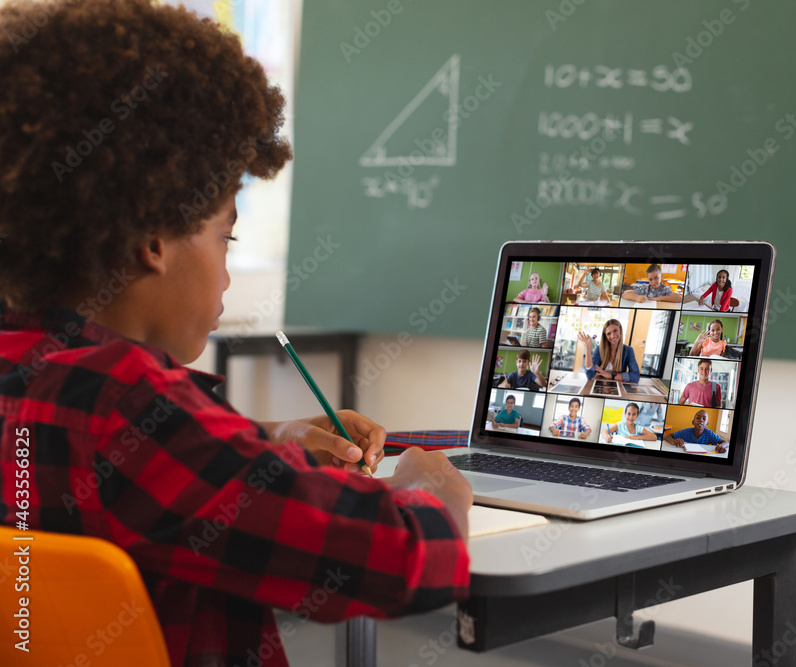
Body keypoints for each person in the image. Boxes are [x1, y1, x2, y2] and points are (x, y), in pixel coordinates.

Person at [0, 3, 472, 665]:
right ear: (154, 239)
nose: (226, 267)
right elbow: (400, 561)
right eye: (227, 234)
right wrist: (432, 491)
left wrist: (265, 441)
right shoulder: (133, 406)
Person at [577, 319, 640, 383]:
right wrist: (588, 347)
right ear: (605, 336)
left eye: (615, 330)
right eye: (608, 334)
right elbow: (590, 375)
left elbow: (635, 376)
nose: (612, 336)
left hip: (618, 388)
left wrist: (610, 375)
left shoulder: (628, 351)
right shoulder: (599, 349)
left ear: (620, 330)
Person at [664, 410, 729, 453]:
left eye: (704, 419)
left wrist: (721, 446)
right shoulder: (686, 432)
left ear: (707, 424)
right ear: (693, 422)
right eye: (698, 418)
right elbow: (667, 436)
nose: (701, 420)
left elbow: (726, 442)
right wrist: (673, 441)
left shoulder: (709, 433)